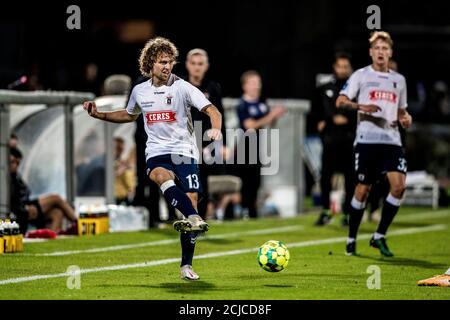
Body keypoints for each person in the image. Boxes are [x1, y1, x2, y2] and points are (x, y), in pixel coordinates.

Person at [82, 37, 223, 280]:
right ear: (150, 64)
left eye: (169, 62)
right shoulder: (140, 90)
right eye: (161, 62)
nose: (167, 66)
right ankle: (192, 217)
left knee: (191, 198)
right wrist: (99, 115)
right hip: (157, 151)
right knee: (160, 176)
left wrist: (216, 128)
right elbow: (128, 115)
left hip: (184, 151)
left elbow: (212, 110)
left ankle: (186, 264)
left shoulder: (183, 87)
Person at [336, 31, 412, 257]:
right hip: (367, 140)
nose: (381, 52)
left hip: (391, 140)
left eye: (385, 49)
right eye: (377, 48)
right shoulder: (361, 75)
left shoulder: (399, 80)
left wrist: (405, 118)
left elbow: (401, 110)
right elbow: (341, 101)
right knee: (363, 189)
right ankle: (351, 238)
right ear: (371, 52)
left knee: (399, 186)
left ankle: (379, 236)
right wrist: (362, 107)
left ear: (390, 53)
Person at [233, 70, 287, 218]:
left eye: (258, 83)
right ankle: (244, 210)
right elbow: (250, 125)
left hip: (257, 147)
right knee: (246, 182)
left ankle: (252, 211)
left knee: (256, 182)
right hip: (245, 147)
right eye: (253, 83)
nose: (257, 86)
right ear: (245, 86)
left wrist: (276, 116)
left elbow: (269, 123)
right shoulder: (242, 104)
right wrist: (271, 115)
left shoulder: (262, 103)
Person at [312, 52, 356, 227]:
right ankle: (325, 211)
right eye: (340, 66)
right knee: (326, 177)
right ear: (334, 68)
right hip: (330, 140)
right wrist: (324, 121)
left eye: (346, 66)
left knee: (350, 178)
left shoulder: (356, 89)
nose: (343, 70)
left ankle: (347, 213)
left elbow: (358, 112)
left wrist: (347, 119)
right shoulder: (325, 88)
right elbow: (317, 111)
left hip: (349, 139)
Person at [184, 48, 227, 220]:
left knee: (201, 181)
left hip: (205, 143)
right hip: (183, 140)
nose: (196, 68)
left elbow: (219, 114)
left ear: (206, 66)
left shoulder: (213, 88)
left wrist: (222, 143)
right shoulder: (180, 85)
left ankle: (199, 218)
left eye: (200, 64)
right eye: (193, 64)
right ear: (187, 65)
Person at [9, 147, 78, 234]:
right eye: (12, 162)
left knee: (57, 213)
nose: (15, 165)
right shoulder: (6, 180)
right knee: (55, 198)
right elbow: (11, 202)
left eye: (17, 163)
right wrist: (24, 208)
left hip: (24, 208)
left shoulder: (15, 177)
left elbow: (25, 193)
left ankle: (51, 238)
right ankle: (79, 223)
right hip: (19, 212)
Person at [114, 137, 135, 205]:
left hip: (123, 196)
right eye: (118, 148)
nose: (120, 151)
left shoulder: (122, 162)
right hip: (115, 196)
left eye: (121, 149)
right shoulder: (108, 163)